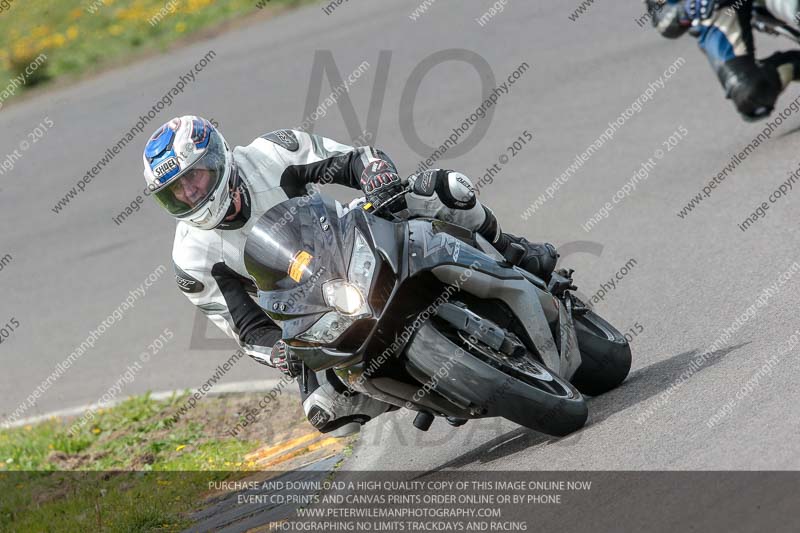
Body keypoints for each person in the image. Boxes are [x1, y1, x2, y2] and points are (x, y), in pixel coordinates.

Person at [142, 115, 558, 436]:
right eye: (176, 191)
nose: (190, 195)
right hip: (313, 310)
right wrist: (278, 352)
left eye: (193, 178)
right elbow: (247, 329)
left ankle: (512, 249)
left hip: (352, 235)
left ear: (217, 159)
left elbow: (352, 160)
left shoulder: (270, 153)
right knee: (325, 413)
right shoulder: (191, 259)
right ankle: (428, 393)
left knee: (445, 189)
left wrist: (374, 175)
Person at [647, 0, 800, 120]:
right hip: (718, 8)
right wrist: (687, 9)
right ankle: (794, 65)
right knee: (750, 92)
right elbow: (661, 19)